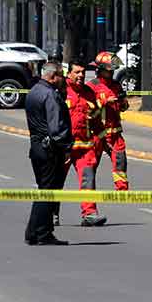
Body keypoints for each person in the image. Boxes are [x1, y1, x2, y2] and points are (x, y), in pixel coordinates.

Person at [25, 62, 71, 245]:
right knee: (48, 192)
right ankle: (40, 233)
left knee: (44, 190)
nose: (63, 79)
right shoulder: (51, 95)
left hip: (36, 147)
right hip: (50, 149)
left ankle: (37, 232)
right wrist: (66, 147)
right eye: (61, 75)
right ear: (53, 76)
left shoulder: (34, 91)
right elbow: (56, 127)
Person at [65, 61, 106, 227]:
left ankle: (89, 214)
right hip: (64, 147)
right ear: (69, 74)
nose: (81, 75)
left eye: (83, 72)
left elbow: (96, 120)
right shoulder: (61, 91)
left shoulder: (89, 93)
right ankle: (51, 213)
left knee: (88, 178)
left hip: (84, 146)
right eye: (77, 72)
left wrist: (103, 141)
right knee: (56, 181)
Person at [89, 51, 130, 192]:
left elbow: (123, 107)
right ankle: (88, 191)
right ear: (100, 70)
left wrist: (123, 103)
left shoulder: (116, 85)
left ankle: (122, 190)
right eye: (109, 70)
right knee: (91, 163)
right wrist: (104, 102)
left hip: (115, 133)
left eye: (113, 70)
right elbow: (87, 112)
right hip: (98, 133)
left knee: (120, 161)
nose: (112, 73)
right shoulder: (91, 87)